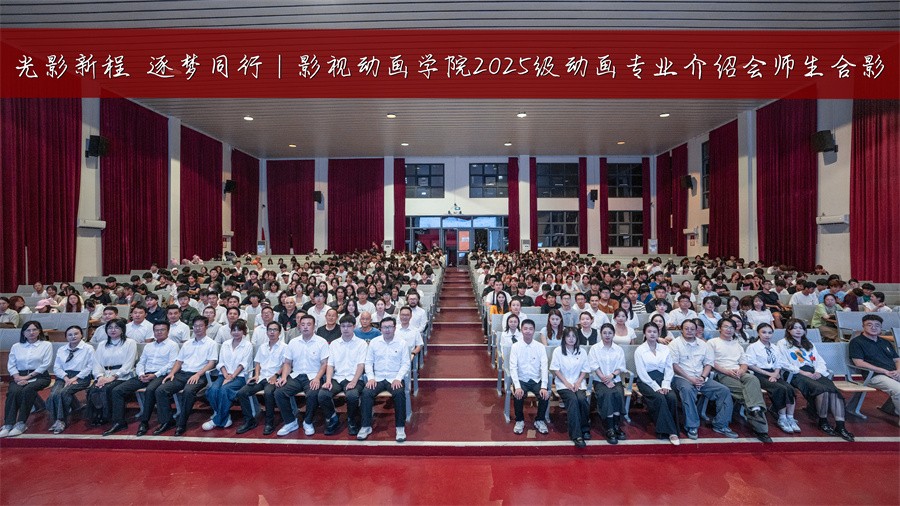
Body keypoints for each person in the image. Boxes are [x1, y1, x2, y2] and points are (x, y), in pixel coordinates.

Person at [779, 318, 854, 441]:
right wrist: (803, 372)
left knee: (833, 391)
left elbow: (819, 360)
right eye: (795, 328)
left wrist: (818, 371)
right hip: (795, 373)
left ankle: (840, 426)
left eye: (801, 328)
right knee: (821, 390)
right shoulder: (783, 343)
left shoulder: (809, 343)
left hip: (814, 371)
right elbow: (783, 362)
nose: (798, 330)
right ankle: (823, 421)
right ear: (788, 330)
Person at [105, 321, 179, 436]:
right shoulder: (149, 346)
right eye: (156, 330)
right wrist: (140, 374)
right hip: (144, 374)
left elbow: (171, 364)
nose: (159, 332)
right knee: (117, 390)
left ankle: (145, 422)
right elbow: (141, 362)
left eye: (162, 330)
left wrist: (155, 375)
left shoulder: (173, 345)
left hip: (161, 375)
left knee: (150, 390)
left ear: (168, 331)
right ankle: (119, 422)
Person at [669, 319, 737, 440]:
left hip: (701, 377)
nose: (689, 331)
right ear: (681, 330)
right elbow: (674, 365)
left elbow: (708, 363)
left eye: (692, 329)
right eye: (686, 329)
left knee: (724, 391)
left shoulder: (703, 345)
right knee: (688, 390)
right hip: (681, 377)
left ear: (696, 330)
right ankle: (692, 426)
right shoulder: (674, 344)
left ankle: (721, 424)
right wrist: (691, 379)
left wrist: (702, 377)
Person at [707, 319, 773, 443]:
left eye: (731, 327)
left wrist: (742, 370)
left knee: (752, 378)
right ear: (720, 328)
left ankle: (755, 410)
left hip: (738, 372)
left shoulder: (736, 344)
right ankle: (761, 429)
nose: (729, 329)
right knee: (750, 395)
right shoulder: (712, 342)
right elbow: (710, 361)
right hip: (722, 373)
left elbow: (744, 362)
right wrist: (726, 371)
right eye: (725, 327)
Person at [155, 316, 219, 436]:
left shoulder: (211, 343)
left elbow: (211, 363)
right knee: (161, 390)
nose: (197, 328)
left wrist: (198, 374)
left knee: (188, 392)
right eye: (195, 326)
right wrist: (172, 373)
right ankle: (167, 421)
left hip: (199, 375)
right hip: (183, 374)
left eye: (200, 326)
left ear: (206, 327)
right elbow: (179, 361)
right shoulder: (187, 343)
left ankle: (181, 423)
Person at [274, 314, 329, 437]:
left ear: (314, 326)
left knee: (313, 393)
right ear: (299, 326)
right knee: (279, 392)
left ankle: (308, 421)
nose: (305, 327)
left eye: (309, 324)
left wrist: (317, 378)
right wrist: (284, 377)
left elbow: (324, 364)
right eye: (303, 324)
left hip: (313, 376)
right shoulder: (293, 342)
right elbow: (287, 363)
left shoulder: (321, 342)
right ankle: (290, 422)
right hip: (296, 376)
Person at [358, 317, 411, 442]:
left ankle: (400, 427)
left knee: (399, 393)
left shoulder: (402, 343)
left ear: (394, 328)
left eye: (390, 327)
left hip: (394, 377)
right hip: (378, 378)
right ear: (380, 329)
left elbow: (405, 363)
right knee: (366, 393)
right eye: (384, 327)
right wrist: (371, 378)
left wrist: (398, 378)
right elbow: (368, 362)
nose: (387, 330)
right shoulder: (374, 342)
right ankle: (366, 426)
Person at [0, 322, 54, 438]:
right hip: (19, 375)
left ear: (39, 331)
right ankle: (8, 424)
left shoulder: (46, 345)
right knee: (13, 391)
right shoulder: (16, 346)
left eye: (34, 330)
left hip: (39, 375)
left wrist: (27, 377)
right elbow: (11, 364)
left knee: (27, 390)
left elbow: (45, 364)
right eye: (28, 330)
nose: (31, 332)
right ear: (23, 333)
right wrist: (17, 377)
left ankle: (21, 423)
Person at [235, 322, 287, 435]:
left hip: (274, 377)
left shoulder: (284, 347)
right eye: (270, 330)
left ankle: (269, 422)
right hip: (262, 377)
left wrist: (276, 375)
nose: (272, 332)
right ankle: (249, 420)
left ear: (279, 332)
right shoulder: (263, 346)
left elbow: (285, 365)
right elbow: (257, 363)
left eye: (275, 330)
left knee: (268, 393)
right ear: (267, 332)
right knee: (242, 393)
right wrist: (256, 375)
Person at [318, 314, 367, 436]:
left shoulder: (361, 344)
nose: (345, 329)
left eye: (349, 326)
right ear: (340, 327)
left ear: (354, 327)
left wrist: (354, 381)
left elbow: (361, 365)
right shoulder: (334, 344)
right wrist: (328, 380)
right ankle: (333, 419)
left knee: (352, 395)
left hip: (355, 378)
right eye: (343, 326)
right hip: (337, 377)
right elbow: (330, 364)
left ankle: (351, 420)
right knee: (323, 394)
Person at [746, 323, 799, 433]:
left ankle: (790, 417)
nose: (767, 335)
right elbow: (751, 365)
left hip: (773, 373)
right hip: (759, 374)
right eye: (764, 332)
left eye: (770, 333)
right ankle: (782, 418)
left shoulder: (775, 347)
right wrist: (769, 374)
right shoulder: (753, 347)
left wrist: (775, 373)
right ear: (758, 333)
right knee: (780, 388)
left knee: (790, 389)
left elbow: (778, 363)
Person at [633, 322, 680, 445]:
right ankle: (672, 432)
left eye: (654, 331)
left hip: (663, 379)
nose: (652, 334)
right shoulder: (640, 350)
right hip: (646, 381)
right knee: (659, 398)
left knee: (671, 397)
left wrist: (665, 384)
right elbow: (641, 372)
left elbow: (669, 368)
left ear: (658, 333)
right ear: (645, 333)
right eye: (649, 331)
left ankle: (667, 429)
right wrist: (655, 386)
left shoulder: (665, 349)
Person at [203, 319, 254, 431]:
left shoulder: (247, 345)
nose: (236, 332)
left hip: (240, 376)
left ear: (244, 331)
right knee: (212, 390)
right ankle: (225, 417)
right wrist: (226, 375)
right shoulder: (225, 344)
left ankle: (217, 420)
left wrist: (232, 377)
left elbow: (243, 364)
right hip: (224, 374)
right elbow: (221, 362)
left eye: (239, 330)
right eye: (234, 330)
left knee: (224, 390)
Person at [87, 318, 138, 429]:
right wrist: (100, 376)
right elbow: (96, 363)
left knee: (107, 389)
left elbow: (129, 364)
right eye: (110, 327)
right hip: (104, 375)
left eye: (116, 327)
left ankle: (109, 417)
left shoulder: (130, 343)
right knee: (93, 389)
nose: (113, 330)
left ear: (122, 329)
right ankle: (97, 416)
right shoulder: (102, 344)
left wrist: (114, 376)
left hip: (123, 375)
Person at [849, 314, 900, 422]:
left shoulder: (885, 342)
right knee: (898, 390)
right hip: (874, 375)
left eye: (877, 325)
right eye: (869, 325)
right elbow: (859, 363)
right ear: (863, 326)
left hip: (893, 373)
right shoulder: (857, 342)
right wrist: (884, 371)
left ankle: (892, 409)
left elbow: (897, 360)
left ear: (881, 328)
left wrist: (898, 370)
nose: (874, 327)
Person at [46, 326, 95, 434]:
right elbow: (57, 367)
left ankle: (61, 420)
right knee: (54, 394)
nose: (73, 336)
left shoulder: (88, 348)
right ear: (66, 337)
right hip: (64, 376)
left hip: (81, 376)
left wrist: (75, 378)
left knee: (64, 392)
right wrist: (65, 378)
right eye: (70, 335)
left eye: (76, 334)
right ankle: (57, 419)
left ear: (81, 335)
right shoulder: (62, 349)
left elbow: (90, 366)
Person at [550, 327, 591, 447]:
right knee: (573, 400)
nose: (571, 339)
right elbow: (556, 369)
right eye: (568, 336)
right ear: (564, 338)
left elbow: (585, 370)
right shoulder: (558, 351)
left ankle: (585, 428)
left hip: (579, 383)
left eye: (574, 336)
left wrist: (578, 382)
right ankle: (576, 435)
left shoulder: (582, 351)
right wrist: (566, 383)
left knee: (582, 399)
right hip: (563, 384)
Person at [508, 319, 550, 436]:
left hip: (536, 379)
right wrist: (517, 386)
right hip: (522, 379)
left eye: (530, 329)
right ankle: (519, 420)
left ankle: (539, 420)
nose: (528, 331)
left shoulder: (540, 347)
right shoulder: (515, 346)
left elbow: (544, 367)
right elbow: (513, 367)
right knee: (518, 395)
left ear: (534, 331)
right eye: (525, 329)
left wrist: (544, 386)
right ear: (521, 330)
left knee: (544, 395)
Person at [588, 323, 627, 444]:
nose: (607, 335)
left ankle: (616, 425)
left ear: (614, 334)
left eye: (610, 333)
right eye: (604, 333)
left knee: (618, 393)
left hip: (615, 379)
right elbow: (594, 366)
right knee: (607, 395)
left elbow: (621, 366)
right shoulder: (595, 348)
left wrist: (611, 376)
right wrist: (605, 379)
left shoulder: (618, 349)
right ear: (601, 334)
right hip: (599, 380)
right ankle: (609, 428)